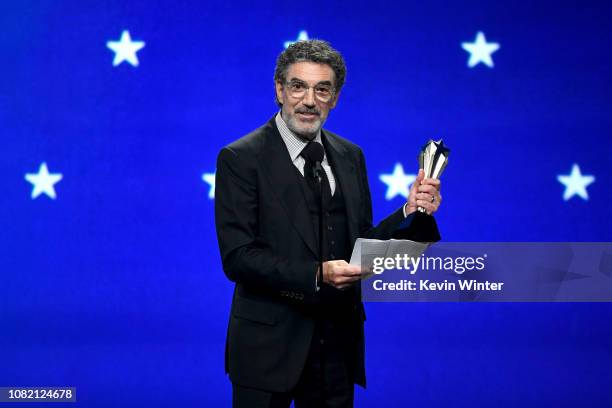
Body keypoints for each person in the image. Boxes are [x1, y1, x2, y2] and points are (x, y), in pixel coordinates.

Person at [215, 39, 442, 408]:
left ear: (335, 98)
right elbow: (239, 257)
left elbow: (359, 246)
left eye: (322, 89)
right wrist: (317, 274)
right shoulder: (240, 159)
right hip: (268, 349)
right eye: (298, 86)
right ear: (279, 90)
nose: (309, 100)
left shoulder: (350, 156)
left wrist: (409, 211)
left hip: (336, 346)